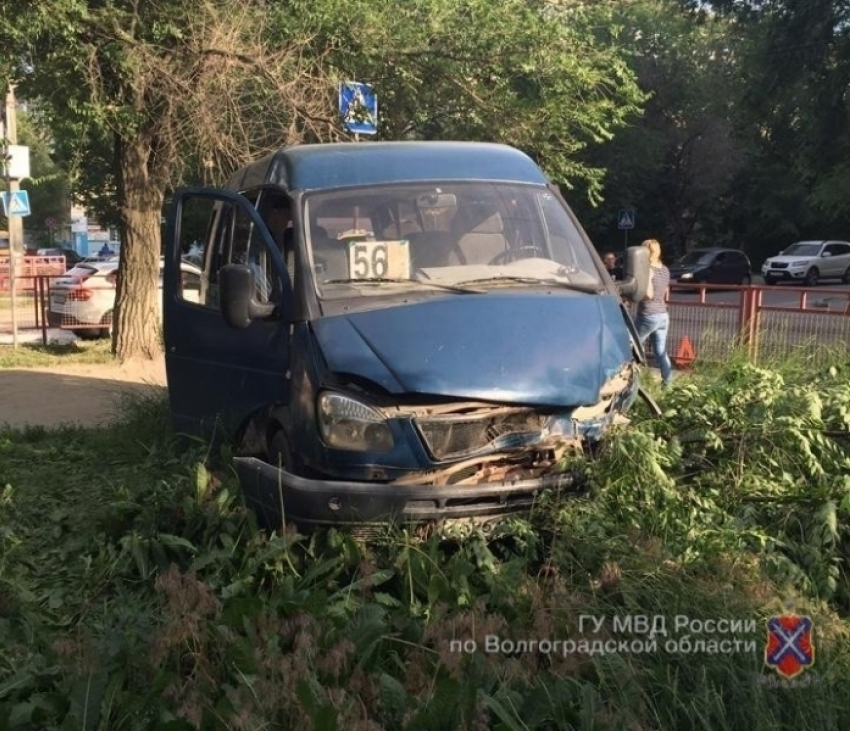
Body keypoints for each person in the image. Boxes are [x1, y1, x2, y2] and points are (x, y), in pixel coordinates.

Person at [635, 238, 673, 387]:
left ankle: (633, 383)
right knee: (661, 351)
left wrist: (636, 295)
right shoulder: (665, 269)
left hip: (648, 314)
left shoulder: (648, 270)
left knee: (632, 347)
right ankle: (667, 384)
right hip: (663, 315)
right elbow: (665, 292)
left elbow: (648, 295)